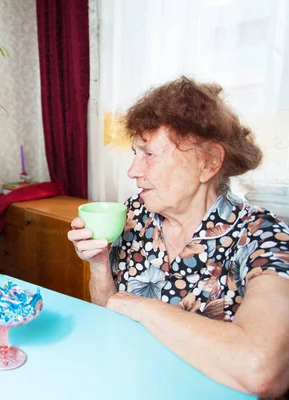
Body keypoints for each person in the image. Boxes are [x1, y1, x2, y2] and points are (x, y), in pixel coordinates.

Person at [68, 76, 289, 398]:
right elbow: (109, 311)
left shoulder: (265, 237)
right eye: (135, 153)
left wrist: (140, 306)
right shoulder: (134, 217)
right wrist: (100, 264)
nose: (133, 171)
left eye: (149, 154)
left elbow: (262, 370)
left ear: (208, 162)